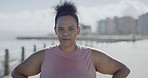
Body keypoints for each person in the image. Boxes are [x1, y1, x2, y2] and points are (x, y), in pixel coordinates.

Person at [11, 1, 130, 78]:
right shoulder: (43, 56)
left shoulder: (92, 56)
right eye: (61, 29)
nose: (66, 33)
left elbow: (123, 70)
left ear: (78, 30)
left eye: (71, 28)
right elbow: (17, 72)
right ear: (55, 30)